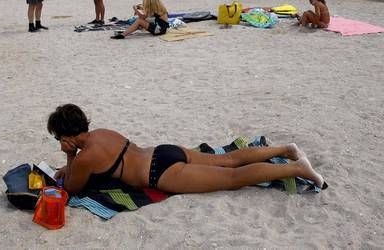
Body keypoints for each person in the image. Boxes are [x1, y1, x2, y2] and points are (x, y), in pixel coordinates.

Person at [48, 104, 327, 195]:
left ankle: (295, 168)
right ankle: (285, 149)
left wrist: (69, 156)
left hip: (160, 173)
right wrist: (70, 162)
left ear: (66, 135)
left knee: (231, 179)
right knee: (227, 160)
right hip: (163, 152)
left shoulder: (85, 156)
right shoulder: (101, 134)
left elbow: (71, 188)